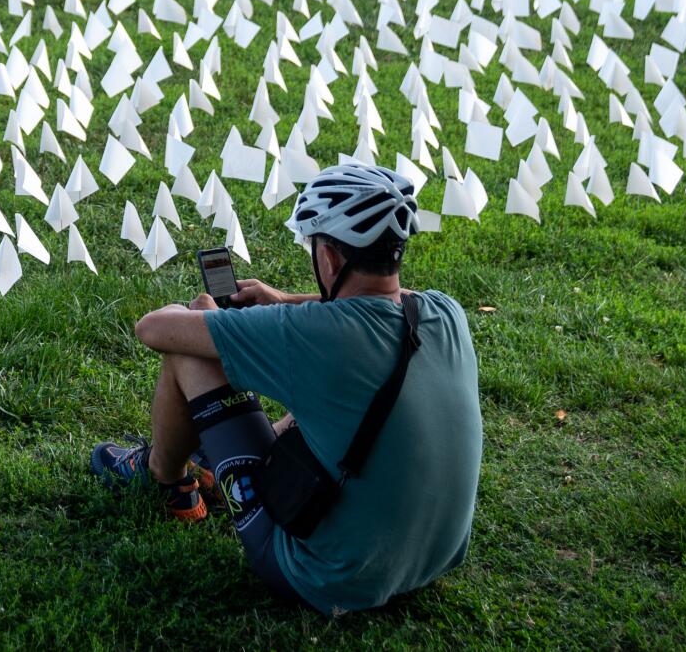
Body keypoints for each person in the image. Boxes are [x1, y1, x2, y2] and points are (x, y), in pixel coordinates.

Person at [90, 163, 482, 615]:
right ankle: (206, 465)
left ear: (330, 258)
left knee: (191, 347)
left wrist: (226, 312)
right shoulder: (445, 313)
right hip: (435, 557)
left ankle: (166, 478)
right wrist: (282, 300)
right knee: (339, 407)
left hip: (327, 576)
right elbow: (396, 298)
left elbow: (154, 329)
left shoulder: (315, 334)